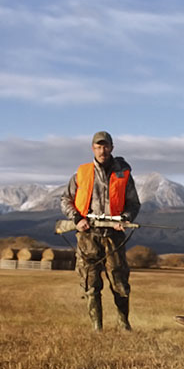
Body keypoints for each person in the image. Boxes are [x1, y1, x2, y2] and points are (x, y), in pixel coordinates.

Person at [61, 131, 140, 331]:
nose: (102, 150)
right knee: (90, 283)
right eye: (98, 147)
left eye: (105, 146)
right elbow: (65, 200)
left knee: (120, 282)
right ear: (92, 149)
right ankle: (97, 328)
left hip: (114, 235)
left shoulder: (124, 175)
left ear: (112, 148)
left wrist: (126, 218)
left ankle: (124, 325)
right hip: (88, 236)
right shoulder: (80, 174)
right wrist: (77, 219)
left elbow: (134, 204)